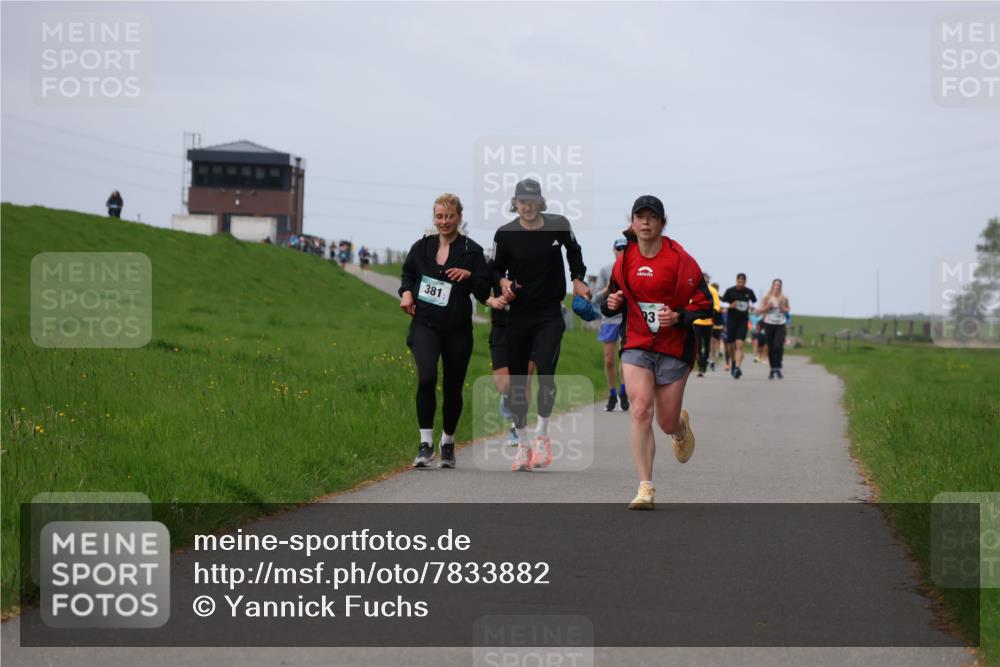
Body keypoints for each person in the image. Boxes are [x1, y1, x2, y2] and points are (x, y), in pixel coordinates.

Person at [602, 195, 711, 510]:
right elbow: (612, 295)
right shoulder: (624, 260)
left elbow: (704, 303)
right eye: (640, 217)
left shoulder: (681, 260)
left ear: (662, 223)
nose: (646, 222)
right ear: (633, 223)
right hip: (636, 343)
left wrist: (678, 316)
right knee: (639, 410)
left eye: (652, 217)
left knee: (664, 422)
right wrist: (611, 303)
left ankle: (679, 428)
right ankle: (645, 487)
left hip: (673, 347)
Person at [492, 178, 590, 472]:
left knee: (546, 372)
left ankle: (542, 435)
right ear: (515, 202)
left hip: (549, 313)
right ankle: (522, 445)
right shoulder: (505, 234)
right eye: (522, 201)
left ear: (541, 202)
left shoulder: (558, 225)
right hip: (518, 315)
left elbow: (575, 251)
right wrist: (503, 281)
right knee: (517, 385)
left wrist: (577, 278)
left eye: (533, 201)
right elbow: (494, 267)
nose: (528, 206)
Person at [399, 194, 491, 468]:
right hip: (425, 324)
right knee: (427, 377)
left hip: (457, 329)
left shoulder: (472, 251)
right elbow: (408, 276)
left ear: (459, 217)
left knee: (452, 388)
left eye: (449, 216)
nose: (444, 222)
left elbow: (485, 290)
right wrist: (405, 293)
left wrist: (470, 276)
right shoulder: (422, 247)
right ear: (434, 217)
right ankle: (425, 444)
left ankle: (447, 442)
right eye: (439, 216)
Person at [487, 292, 536, 446]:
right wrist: (491, 299)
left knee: (525, 377)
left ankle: (517, 426)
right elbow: (480, 286)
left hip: (530, 324)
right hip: (502, 326)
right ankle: (508, 396)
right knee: (505, 385)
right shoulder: (494, 268)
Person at [593, 238, 630, 411]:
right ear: (613, 250)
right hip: (609, 320)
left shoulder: (632, 269)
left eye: (624, 248)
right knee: (609, 360)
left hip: (626, 318)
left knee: (625, 359)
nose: (621, 251)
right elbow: (596, 298)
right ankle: (611, 392)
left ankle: (623, 392)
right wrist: (608, 289)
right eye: (618, 248)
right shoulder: (605, 270)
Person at [721, 273, 757, 379]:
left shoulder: (749, 292)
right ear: (736, 280)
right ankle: (733, 362)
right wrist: (730, 305)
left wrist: (752, 307)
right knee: (730, 347)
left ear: (745, 282)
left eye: (743, 281)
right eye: (739, 281)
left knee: (740, 344)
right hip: (731, 321)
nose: (741, 283)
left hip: (743, 321)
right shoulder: (730, 291)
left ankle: (737, 367)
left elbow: (754, 302)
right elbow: (721, 303)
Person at [756, 278, 791, 379]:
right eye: (775, 284)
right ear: (772, 286)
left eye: (779, 285)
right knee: (770, 346)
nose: (777, 286)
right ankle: (772, 369)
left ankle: (778, 367)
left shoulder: (784, 298)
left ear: (781, 286)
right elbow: (761, 311)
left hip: (780, 324)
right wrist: (767, 307)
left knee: (778, 346)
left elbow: (788, 309)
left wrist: (782, 308)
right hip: (769, 323)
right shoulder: (767, 298)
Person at [691, 272, 716, 378]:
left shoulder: (713, 291)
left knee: (706, 346)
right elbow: (690, 303)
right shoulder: (694, 290)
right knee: (698, 345)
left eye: (706, 278)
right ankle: (700, 365)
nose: (705, 280)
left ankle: (704, 364)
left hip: (708, 322)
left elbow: (717, 307)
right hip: (696, 322)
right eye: (703, 278)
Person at [709, 282, 723, 370]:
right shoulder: (708, 298)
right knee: (713, 342)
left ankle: (713, 358)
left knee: (714, 342)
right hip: (711, 323)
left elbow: (724, 308)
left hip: (718, 324)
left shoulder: (720, 299)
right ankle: (712, 360)